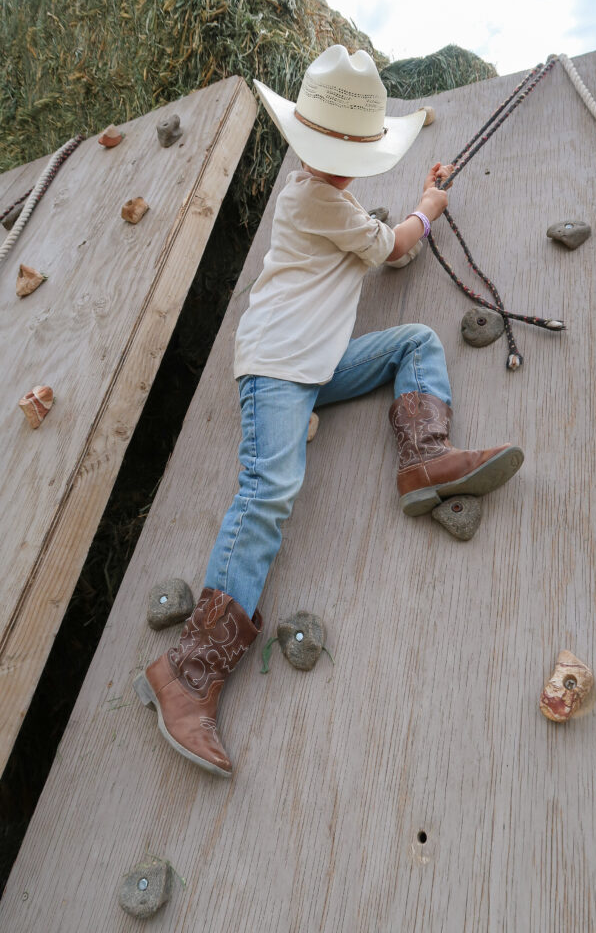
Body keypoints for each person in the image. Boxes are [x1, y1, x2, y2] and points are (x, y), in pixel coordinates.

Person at [134, 45, 524, 777]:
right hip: (277, 368)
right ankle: (184, 674)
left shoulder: (333, 202)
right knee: (270, 490)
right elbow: (395, 244)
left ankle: (422, 459)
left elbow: (389, 251)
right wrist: (426, 211)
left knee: (412, 340)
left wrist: (420, 202)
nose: (347, 162)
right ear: (317, 148)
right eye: (343, 149)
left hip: (312, 365)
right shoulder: (311, 197)